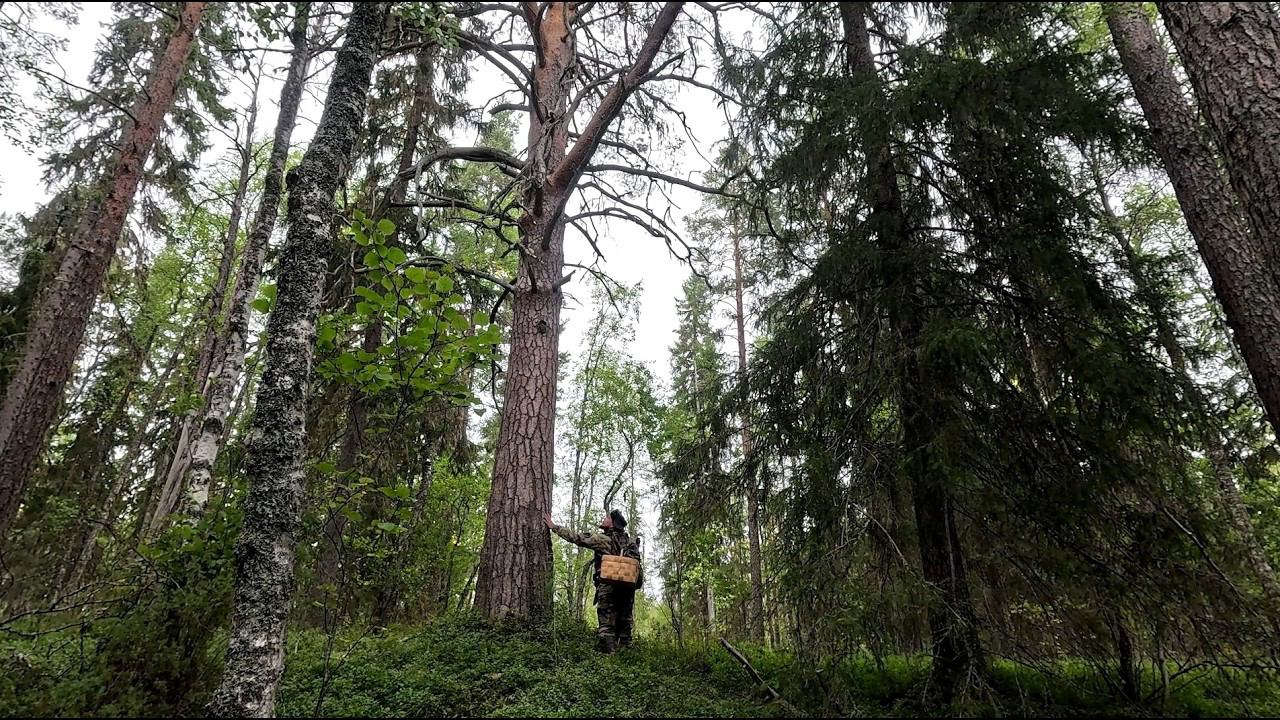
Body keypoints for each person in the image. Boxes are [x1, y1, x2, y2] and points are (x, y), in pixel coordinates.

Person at [543, 508, 637, 654]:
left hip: (608, 588)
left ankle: (609, 659)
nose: (604, 519)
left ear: (612, 523)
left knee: (606, 625)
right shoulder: (630, 543)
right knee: (625, 626)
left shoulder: (603, 540)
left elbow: (578, 538)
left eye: (607, 517)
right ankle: (627, 659)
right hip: (627, 591)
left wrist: (554, 527)